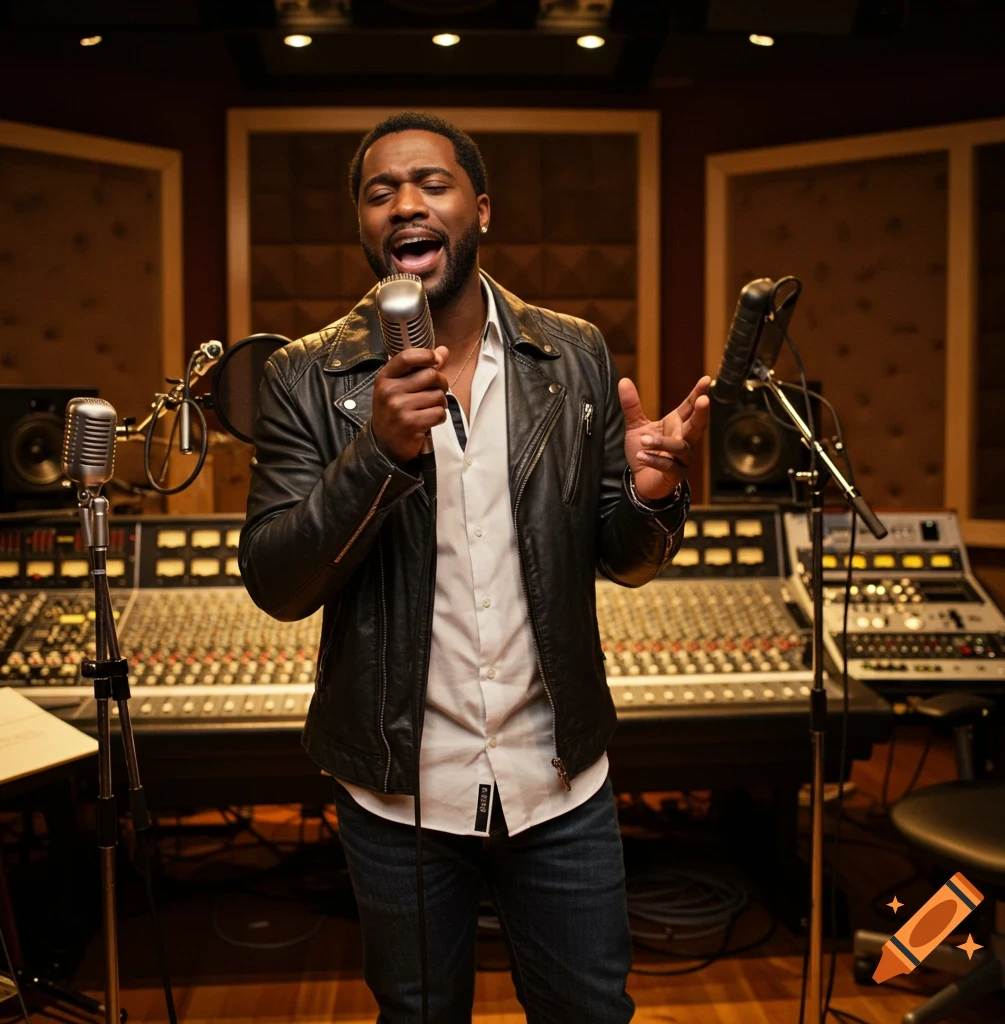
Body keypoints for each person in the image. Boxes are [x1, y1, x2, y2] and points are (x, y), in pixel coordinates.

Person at [240, 112, 711, 1024]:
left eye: (432, 184)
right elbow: (277, 581)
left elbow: (624, 557)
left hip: (559, 782)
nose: (405, 204)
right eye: (380, 193)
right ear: (364, 227)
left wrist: (650, 496)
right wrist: (376, 454)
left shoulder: (572, 355)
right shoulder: (306, 378)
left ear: (480, 209)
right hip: (398, 794)